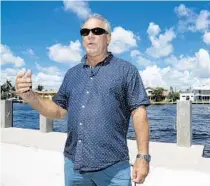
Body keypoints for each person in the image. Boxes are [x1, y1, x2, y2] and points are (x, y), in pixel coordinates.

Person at [15, 13, 151, 186]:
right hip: (74, 166)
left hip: (114, 168)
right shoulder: (72, 74)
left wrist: (143, 157)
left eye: (96, 31)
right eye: (85, 32)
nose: (90, 36)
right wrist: (30, 96)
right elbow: (58, 110)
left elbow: (139, 113)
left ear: (108, 38)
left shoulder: (126, 71)